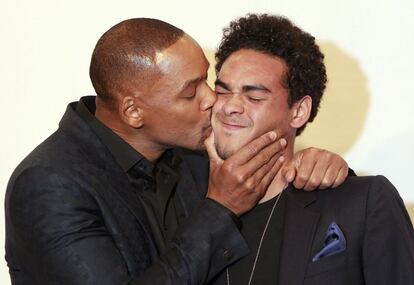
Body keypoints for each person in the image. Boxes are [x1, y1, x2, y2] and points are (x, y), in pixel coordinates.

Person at [5, 18, 349, 285]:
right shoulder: (50, 184)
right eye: (190, 93)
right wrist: (220, 208)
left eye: (206, 80)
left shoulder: (193, 155)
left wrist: (319, 165)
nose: (213, 99)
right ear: (133, 112)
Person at [208, 14, 414, 285]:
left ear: (299, 111)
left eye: (254, 96)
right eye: (222, 92)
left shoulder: (361, 203)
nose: (230, 106)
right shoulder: (183, 202)